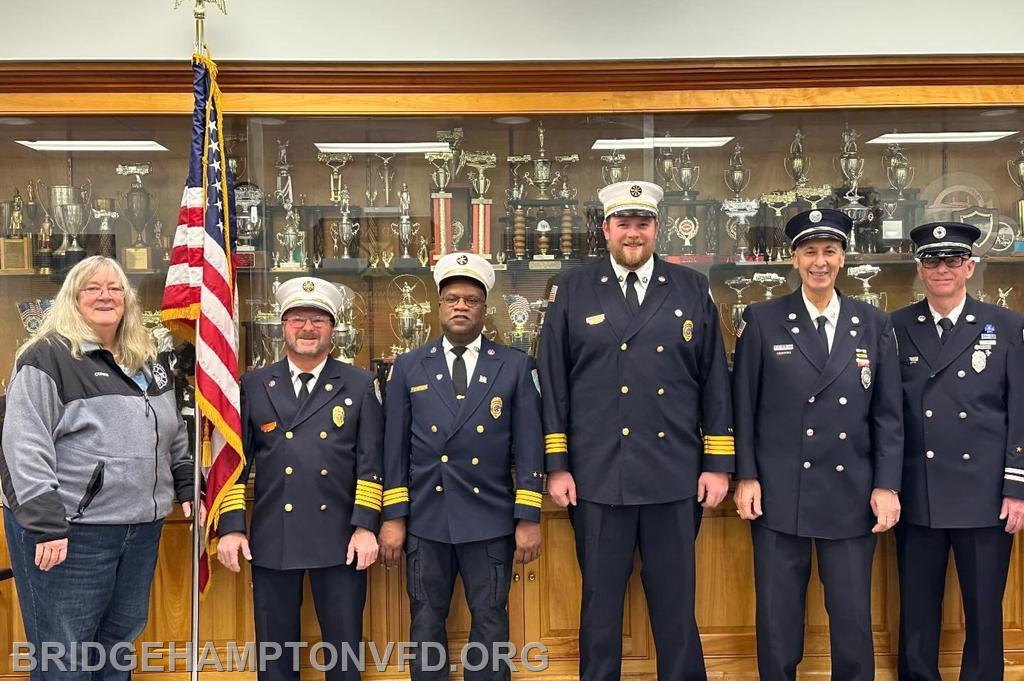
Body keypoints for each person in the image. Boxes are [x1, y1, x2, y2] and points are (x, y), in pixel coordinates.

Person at [538, 180, 734, 681]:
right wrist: (557, 465)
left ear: (656, 229)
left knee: (675, 604)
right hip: (598, 475)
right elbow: (554, 380)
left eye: (642, 223)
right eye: (622, 223)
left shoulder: (690, 287)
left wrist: (717, 463)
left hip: (673, 474)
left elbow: (714, 379)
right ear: (605, 229)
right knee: (600, 607)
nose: (633, 233)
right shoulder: (573, 287)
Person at [1, 255, 198, 680]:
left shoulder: (148, 361)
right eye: (92, 288)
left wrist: (184, 482)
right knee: (64, 653)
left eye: (114, 288)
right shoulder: (47, 356)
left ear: (127, 299)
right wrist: (46, 524)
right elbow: (23, 444)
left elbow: (172, 432)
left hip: (140, 528)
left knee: (118, 643)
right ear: (72, 298)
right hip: (72, 532)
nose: (105, 295)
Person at [731, 209, 903, 681]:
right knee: (778, 618)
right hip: (778, 489)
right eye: (810, 252)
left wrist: (887, 485)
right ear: (794, 259)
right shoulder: (763, 319)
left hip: (850, 491)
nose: (820, 262)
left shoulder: (872, 322)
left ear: (843, 258)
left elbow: (888, 415)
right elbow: (742, 406)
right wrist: (746, 476)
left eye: (829, 251)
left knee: (851, 618)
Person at [379, 252, 544, 681]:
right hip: (425, 520)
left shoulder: (513, 365)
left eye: (471, 300)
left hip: (489, 519)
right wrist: (394, 517)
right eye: (451, 298)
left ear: (484, 309)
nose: (460, 306)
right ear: (438, 305)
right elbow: (393, 450)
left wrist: (528, 517)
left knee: (490, 623)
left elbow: (529, 448)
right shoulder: (409, 367)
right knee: (425, 623)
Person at [216, 276, 383, 681]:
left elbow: (372, 462)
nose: (307, 328)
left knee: (344, 657)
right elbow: (235, 463)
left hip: (341, 538)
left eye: (318, 320)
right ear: (283, 326)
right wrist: (232, 527)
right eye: (297, 319)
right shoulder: (254, 386)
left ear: (333, 328)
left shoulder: (360, 384)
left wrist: (365, 527)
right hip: (274, 537)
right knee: (275, 659)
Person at [891, 222, 1024, 681]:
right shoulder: (896, 327)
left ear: (970, 266)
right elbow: (888, 413)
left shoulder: (1006, 326)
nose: (942, 269)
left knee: (985, 610)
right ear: (919, 269)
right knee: (916, 609)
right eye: (931, 260)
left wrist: (1016, 487)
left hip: (985, 493)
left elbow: (1020, 410)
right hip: (918, 490)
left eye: (951, 261)